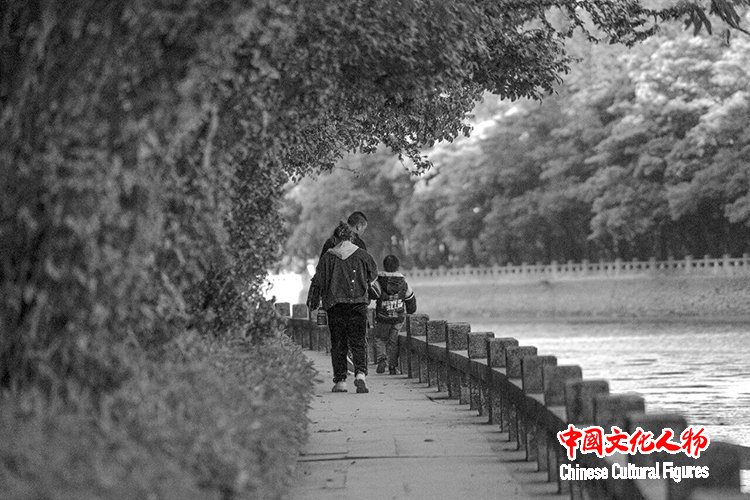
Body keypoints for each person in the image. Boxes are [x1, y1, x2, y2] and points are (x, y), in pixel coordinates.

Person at [307, 221, 378, 393]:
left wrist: (313, 302)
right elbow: (373, 275)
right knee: (359, 341)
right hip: (358, 304)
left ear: (335, 238)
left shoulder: (328, 257)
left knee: (338, 343)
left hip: (335, 306)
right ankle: (360, 374)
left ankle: (340, 381)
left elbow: (318, 281)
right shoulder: (363, 255)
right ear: (351, 237)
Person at [369, 255, 417, 375]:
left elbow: (372, 294)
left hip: (383, 318)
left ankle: (382, 359)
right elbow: (410, 300)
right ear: (397, 266)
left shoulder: (379, 282)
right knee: (393, 342)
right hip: (398, 319)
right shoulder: (403, 283)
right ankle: (392, 366)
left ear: (384, 266)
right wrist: (410, 311)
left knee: (380, 339)